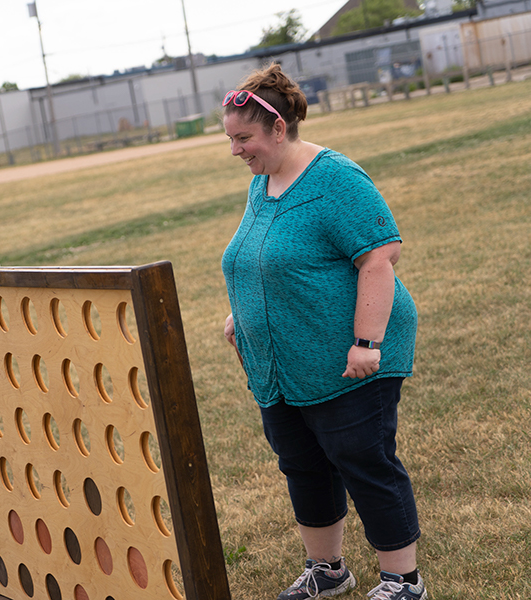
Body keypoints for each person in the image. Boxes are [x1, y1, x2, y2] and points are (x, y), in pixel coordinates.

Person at [220, 64, 427, 600]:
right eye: (231, 140)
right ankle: (327, 569)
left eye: (244, 138)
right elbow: (264, 257)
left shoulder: (335, 177)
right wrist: (242, 313)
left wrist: (366, 342)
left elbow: (381, 257)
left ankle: (403, 581)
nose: (236, 150)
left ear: (278, 129)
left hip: (347, 356)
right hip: (285, 363)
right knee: (302, 464)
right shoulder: (263, 182)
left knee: (363, 458)